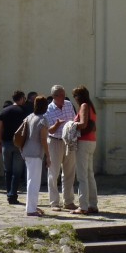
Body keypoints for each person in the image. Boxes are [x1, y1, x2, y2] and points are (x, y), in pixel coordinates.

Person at [45, 85, 77, 210]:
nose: (64, 97)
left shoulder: (68, 104)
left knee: (69, 172)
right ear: (55, 96)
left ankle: (68, 201)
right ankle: (54, 202)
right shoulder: (49, 110)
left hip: (69, 141)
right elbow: (49, 130)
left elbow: (73, 119)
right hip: (55, 141)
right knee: (53, 172)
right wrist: (57, 124)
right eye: (61, 95)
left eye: (64, 95)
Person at [0, 91, 28, 204]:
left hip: (6, 143)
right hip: (19, 144)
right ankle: (12, 194)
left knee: (7, 170)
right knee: (17, 171)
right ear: (22, 98)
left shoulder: (5, 111)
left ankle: (9, 192)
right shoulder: (25, 111)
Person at [21, 95, 50, 217]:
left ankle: (32, 206)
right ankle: (31, 209)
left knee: (31, 180)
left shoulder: (29, 117)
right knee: (34, 181)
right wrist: (48, 155)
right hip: (36, 152)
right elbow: (43, 139)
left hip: (27, 150)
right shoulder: (43, 119)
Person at [72, 85, 98, 214]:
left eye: (75, 96)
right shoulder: (91, 106)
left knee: (82, 176)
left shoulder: (84, 106)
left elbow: (83, 124)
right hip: (92, 141)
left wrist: (71, 125)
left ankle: (83, 206)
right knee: (89, 174)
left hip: (83, 141)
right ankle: (93, 204)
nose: (75, 99)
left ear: (79, 96)